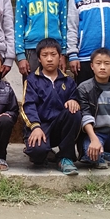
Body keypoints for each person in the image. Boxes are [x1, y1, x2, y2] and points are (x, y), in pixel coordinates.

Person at [20, 38, 82, 175]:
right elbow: (27, 106)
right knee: (37, 155)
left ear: (60, 57)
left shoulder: (68, 81)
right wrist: (35, 126)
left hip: (59, 126)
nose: (49, 59)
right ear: (39, 59)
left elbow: (76, 100)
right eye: (45, 55)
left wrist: (73, 101)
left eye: (53, 55)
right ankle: (42, 151)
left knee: (74, 112)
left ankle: (65, 157)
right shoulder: (32, 80)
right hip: (39, 126)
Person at [14, 0, 67, 77]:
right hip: (31, 48)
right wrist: (21, 55)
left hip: (55, 49)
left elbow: (64, 25)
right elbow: (19, 27)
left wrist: (63, 53)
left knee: (56, 84)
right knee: (31, 84)